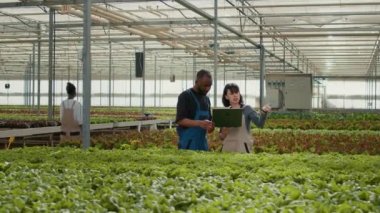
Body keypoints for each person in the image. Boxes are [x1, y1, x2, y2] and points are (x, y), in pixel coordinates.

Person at [219, 83, 271, 153]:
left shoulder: (247, 109)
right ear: (226, 97)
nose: (235, 95)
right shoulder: (225, 112)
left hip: (243, 148)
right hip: (228, 149)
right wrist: (225, 130)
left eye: (237, 92)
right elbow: (221, 137)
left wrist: (264, 112)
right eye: (231, 93)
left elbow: (260, 124)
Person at [176, 69, 215, 151]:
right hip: (187, 144)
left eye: (210, 86)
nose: (207, 89)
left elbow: (209, 128)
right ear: (197, 81)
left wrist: (211, 127)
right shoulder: (185, 96)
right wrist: (199, 123)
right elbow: (180, 120)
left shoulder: (206, 100)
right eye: (205, 85)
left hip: (202, 145)